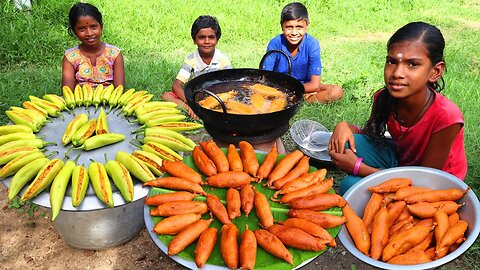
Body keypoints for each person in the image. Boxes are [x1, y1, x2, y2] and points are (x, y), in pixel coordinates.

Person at [329, 21, 467, 195]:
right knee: (344, 142)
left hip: (437, 185)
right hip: (403, 160)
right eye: (392, 62)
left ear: (435, 72)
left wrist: (359, 168)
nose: (397, 73)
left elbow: (426, 182)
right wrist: (343, 126)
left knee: (350, 185)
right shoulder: (385, 97)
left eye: (413, 64)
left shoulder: (446, 117)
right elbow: (370, 133)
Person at [261, 2, 343, 103]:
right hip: (280, 87)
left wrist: (297, 90)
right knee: (261, 92)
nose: (294, 32)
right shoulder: (275, 43)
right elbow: (264, 79)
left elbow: (315, 85)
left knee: (336, 91)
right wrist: (279, 91)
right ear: (282, 26)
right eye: (289, 27)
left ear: (307, 25)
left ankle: (298, 100)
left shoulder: (312, 44)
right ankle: (294, 99)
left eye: (299, 27)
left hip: (305, 86)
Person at [163, 15, 232, 119]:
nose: (207, 41)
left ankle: (206, 111)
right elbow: (176, 86)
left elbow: (231, 84)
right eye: (201, 37)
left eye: (211, 37)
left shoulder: (222, 59)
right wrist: (191, 103)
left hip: (218, 96)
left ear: (217, 39)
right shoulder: (191, 59)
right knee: (166, 95)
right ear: (194, 40)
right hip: (197, 97)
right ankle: (190, 109)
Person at [62, 2, 125, 91]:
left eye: (93, 27)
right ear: (74, 31)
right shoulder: (70, 58)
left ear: (101, 27)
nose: (89, 33)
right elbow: (68, 92)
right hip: (81, 102)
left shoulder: (114, 54)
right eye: (82, 29)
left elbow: (119, 89)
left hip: (110, 102)